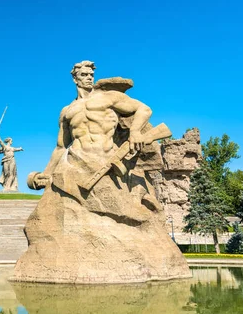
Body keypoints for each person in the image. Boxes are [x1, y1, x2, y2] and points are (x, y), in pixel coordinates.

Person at [28, 60, 161, 223]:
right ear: (75, 79)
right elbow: (61, 147)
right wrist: (47, 173)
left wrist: (135, 132)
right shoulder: (67, 111)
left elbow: (144, 109)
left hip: (106, 162)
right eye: (84, 75)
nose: (89, 78)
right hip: (76, 163)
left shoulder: (109, 98)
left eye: (91, 75)